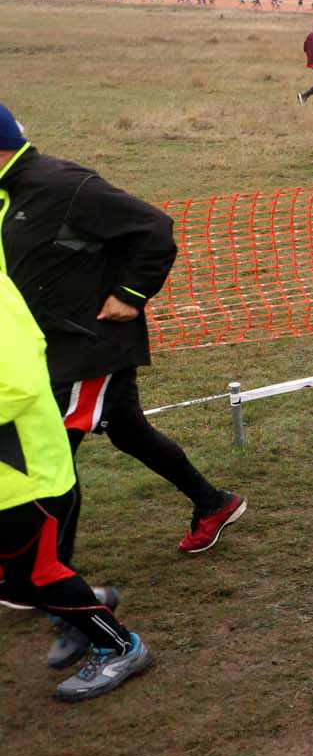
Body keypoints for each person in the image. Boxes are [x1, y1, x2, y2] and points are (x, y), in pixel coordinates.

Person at [0, 105, 246, 578]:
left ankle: (46, 576)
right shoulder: (7, 194)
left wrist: (129, 295)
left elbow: (153, 228)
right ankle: (213, 503)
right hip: (46, 344)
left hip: (88, 345)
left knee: (50, 453)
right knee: (128, 430)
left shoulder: (62, 184)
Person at [0, 261, 153, 702]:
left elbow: (19, 384)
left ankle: (120, 646)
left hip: (24, 475)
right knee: (14, 580)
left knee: (35, 576)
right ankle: (83, 599)